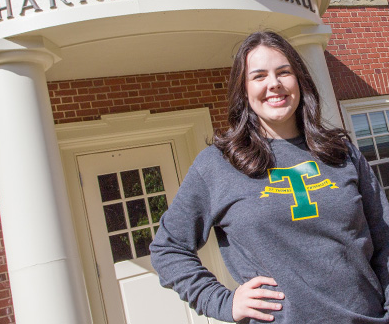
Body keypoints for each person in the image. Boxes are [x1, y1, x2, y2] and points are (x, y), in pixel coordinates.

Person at [149, 31, 389, 323]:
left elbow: (384, 239)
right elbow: (168, 248)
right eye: (259, 76)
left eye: (284, 72)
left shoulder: (342, 153)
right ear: (244, 90)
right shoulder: (218, 164)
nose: (274, 84)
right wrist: (221, 301)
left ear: (299, 80)